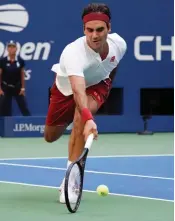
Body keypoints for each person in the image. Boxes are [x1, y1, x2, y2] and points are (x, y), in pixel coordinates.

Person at [44, 3, 127, 203]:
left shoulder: (119, 45)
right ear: (83, 30)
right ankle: (77, 127)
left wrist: (106, 85)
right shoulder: (73, 53)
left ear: (109, 28)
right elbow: (78, 91)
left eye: (100, 29)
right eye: (89, 30)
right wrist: (89, 119)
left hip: (97, 85)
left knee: (81, 115)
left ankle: (70, 180)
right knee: (50, 136)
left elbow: (113, 65)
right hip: (67, 90)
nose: (94, 35)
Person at [0, 40, 30, 116]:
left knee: (24, 107)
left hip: (17, 87)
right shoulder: (2, 61)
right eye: (9, 47)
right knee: (4, 109)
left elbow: (22, 74)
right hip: (5, 87)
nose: (11, 48)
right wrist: (0, 89)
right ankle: (4, 127)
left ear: (16, 49)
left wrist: (23, 88)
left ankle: (30, 124)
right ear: (7, 49)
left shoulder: (20, 61)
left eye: (13, 47)